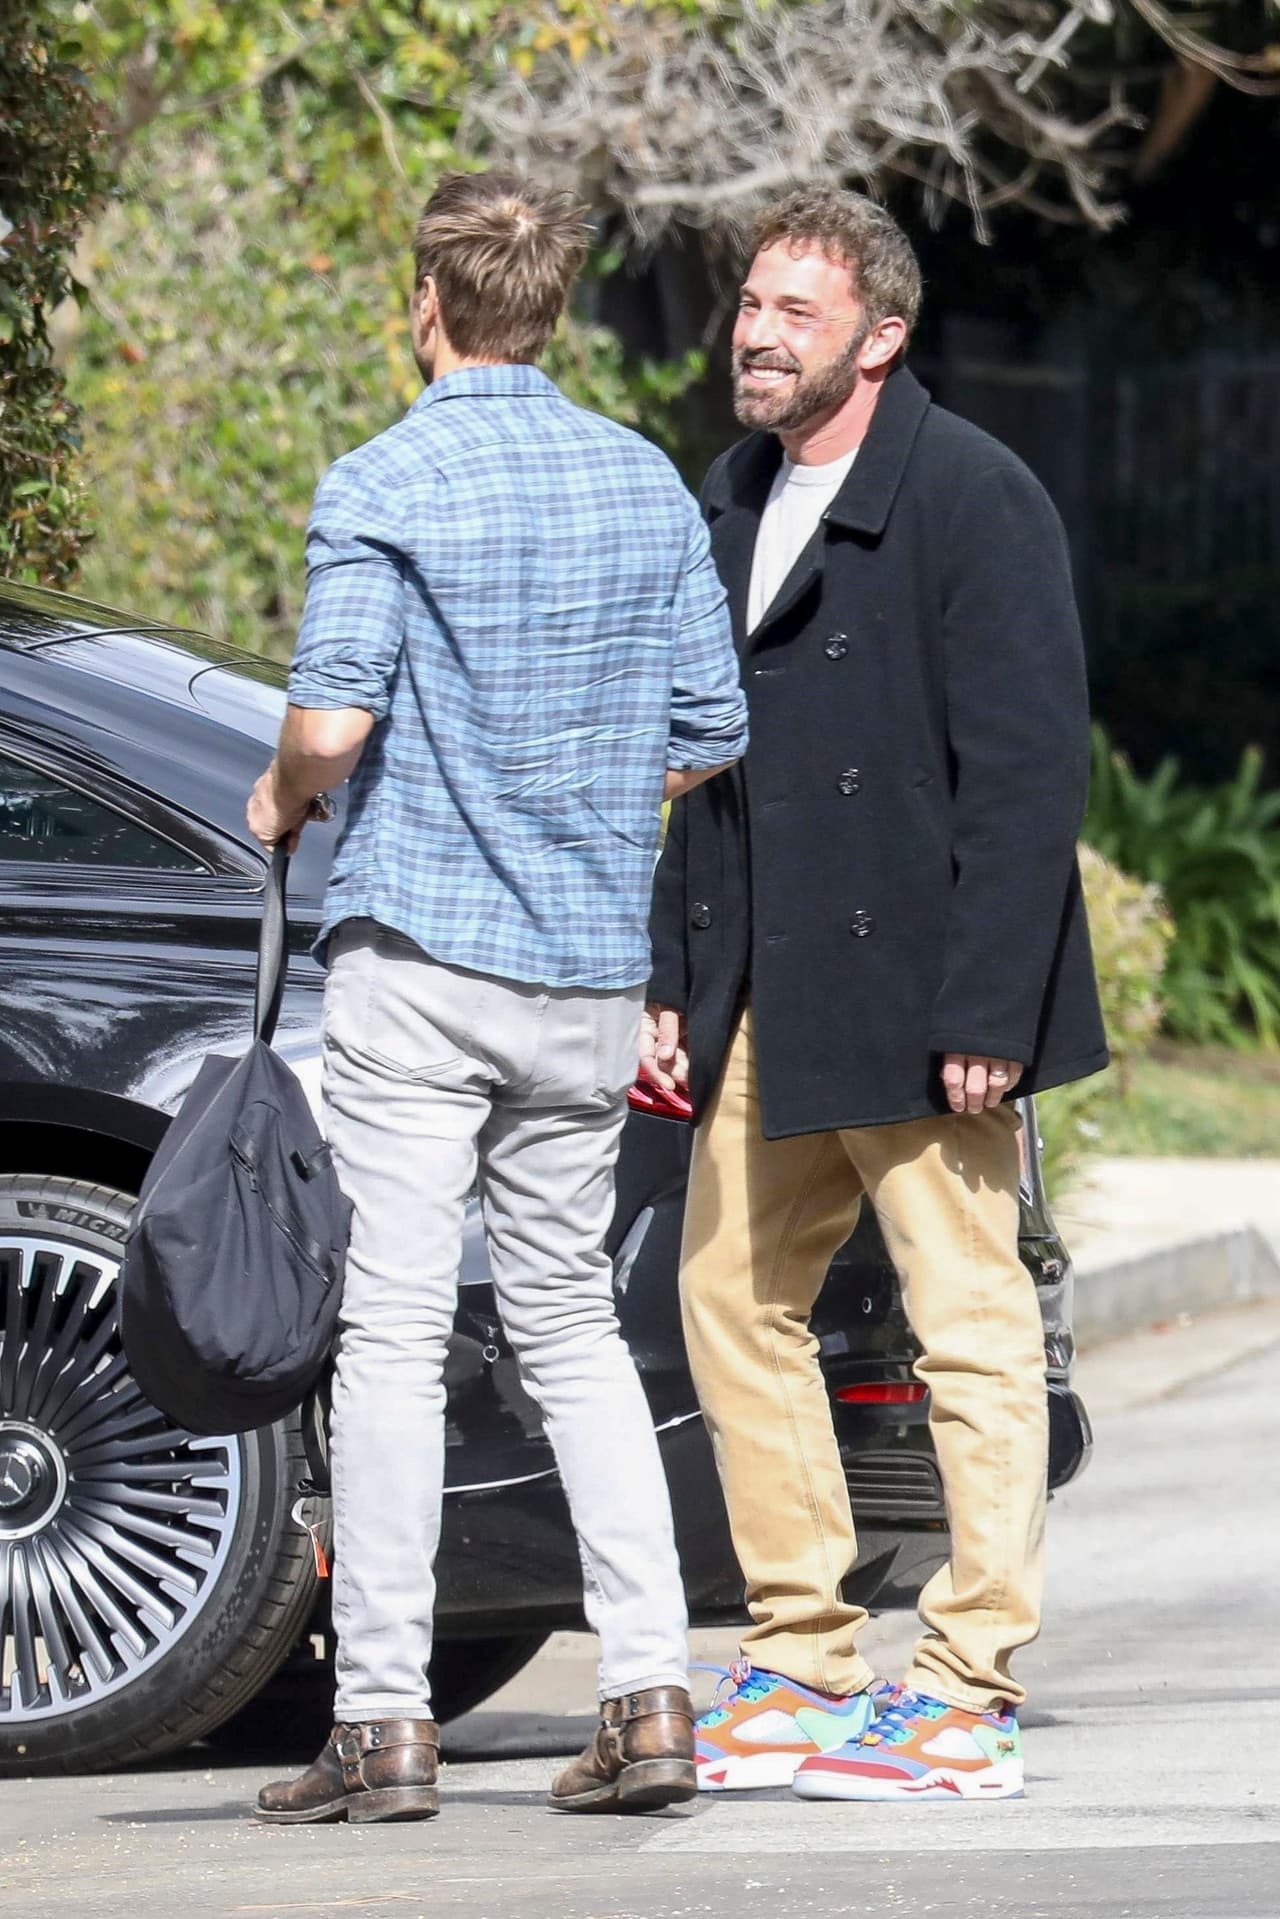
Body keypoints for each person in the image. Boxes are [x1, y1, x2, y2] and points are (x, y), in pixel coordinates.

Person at [246, 169, 748, 1824]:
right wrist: (584, 803)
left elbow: (331, 725)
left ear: (427, 306)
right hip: (588, 972)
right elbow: (710, 728)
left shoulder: (385, 479)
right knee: (573, 1329)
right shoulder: (644, 480)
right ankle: (651, 1698)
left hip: (420, 961)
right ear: (549, 311)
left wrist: (281, 796)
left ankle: (383, 1723)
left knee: (393, 1333)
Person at [642, 186, 1108, 1804]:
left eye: (796, 311)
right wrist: (674, 974)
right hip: (764, 991)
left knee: (970, 1331)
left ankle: (970, 1685)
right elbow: (700, 766)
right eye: (750, 304)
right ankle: (800, 1656)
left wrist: (991, 1010)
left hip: (925, 1000)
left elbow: (1030, 773)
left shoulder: (976, 495)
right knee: (729, 1299)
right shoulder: (731, 490)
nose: (756, 336)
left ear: (881, 337)